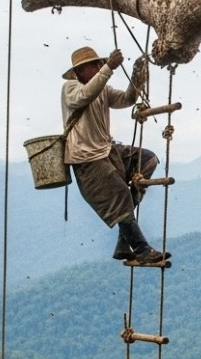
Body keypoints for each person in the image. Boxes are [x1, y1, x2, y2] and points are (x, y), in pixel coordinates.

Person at [61, 45, 167, 267]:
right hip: (86, 158)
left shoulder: (102, 89)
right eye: (95, 64)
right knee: (120, 196)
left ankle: (123, 243)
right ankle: (142, 249)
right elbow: (83, 96)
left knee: (147, 159)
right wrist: (109, 67)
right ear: (80, 71)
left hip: (107, 151)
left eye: (100, 63)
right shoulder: (71, 88)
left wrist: (138, 79)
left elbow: (126, 99)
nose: (100, 66)